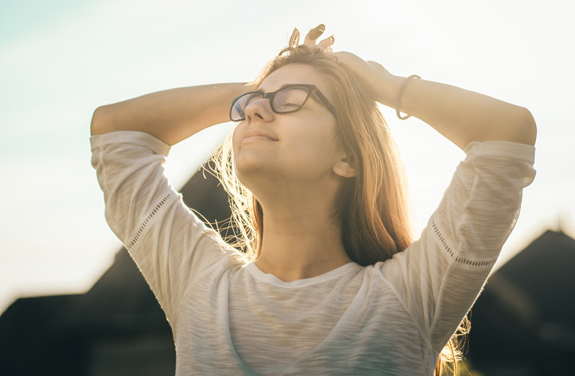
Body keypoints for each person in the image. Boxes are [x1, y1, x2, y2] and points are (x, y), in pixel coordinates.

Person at [90, 25, 536, 375]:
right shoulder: (199, 284)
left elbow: (506, 134)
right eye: (250, 106)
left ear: (348, 156)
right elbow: (114, 131)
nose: (255, 111)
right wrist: (255, 88)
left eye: (291, 101)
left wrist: (381, 84)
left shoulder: (410, 294)